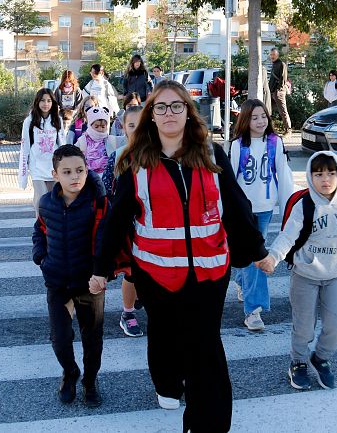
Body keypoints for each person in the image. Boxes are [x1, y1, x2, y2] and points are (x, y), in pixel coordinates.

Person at [90, 80, 268, 432]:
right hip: (155, 275)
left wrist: (255, 251)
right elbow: (117, 219)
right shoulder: (134, 162)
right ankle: (167, 383)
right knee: (166, 337)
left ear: (189, 113)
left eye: (176, 106)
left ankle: (206, 425)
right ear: (151, 117)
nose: (169, 113)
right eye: (161, 107)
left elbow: (234, 205)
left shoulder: (212, 154)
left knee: (206, 350)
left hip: (209, 274)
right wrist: (101, 268)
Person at [258, 151, 337, 391]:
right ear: (310, 176)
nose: (325, 179)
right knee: (304, 326)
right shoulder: (305, 204)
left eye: (331, 173)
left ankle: (320, 358)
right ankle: (298, 362)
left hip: (335, 276)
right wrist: (272, 258)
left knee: (336, 326)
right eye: (318, 174)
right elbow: (288, 235)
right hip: (305, 276)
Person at [32, 144, 108, 408]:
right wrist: (41, 256)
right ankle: (70, 372)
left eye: (79, 170)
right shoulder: (46, 203)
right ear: (55, 174)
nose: (74, 176)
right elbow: (39, 231)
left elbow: (105, 240)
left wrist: (102, 273)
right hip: (57, 282)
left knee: (92, 338)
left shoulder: (97, 202)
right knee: (60, 338)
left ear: (87, 171)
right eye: (67, 172)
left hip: (90, 282)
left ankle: (90, 380)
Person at [228, 99, 294, 331]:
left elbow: (284, 178)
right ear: (245, 119)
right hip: (241, 212)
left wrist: (289, 211)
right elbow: (231, 182)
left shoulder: (275, 143)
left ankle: (253, 310)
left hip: (265, 208)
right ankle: (246, 288)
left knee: (257, 256)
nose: (260, 121)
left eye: (263, 116)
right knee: (247, 256)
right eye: (254, 117)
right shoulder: (237, 146)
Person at [101, 104, 143, 337]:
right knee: (133, 271)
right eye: (131, 125)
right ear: (124, 129)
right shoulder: (119, 156)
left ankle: (141, 297)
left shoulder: (163, 152)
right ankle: (128, 313)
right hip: (130, 225)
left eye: (142, 123)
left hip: (157, 224)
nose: (137, 129)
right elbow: (106, 189)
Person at [19, 88, 66, 212]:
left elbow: (61, 142)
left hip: (52, 166)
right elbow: (25, 145)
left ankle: (50, 227)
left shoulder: (57, 119)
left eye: (49, 101)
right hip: (36, 165)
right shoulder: (29, 121)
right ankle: (39, 226)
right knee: (41, 198)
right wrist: (24, 168)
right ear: (37, 102)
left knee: (53, 198)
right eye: (42, 100)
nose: (46, 104)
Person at [74, 106, 123, 177]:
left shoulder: (111, 139)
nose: (100, 129)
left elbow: (126, 139)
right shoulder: (83, 140)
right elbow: (72, 152)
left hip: (108, 177)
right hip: (89, 177)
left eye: (103, 126)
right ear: (90, 125)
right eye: (96, 126)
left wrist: (123, 118)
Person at [268, 48, 292, 135]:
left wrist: (278, 89)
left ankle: (288, 130)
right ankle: (270, 130)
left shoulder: (281, 64)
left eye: (273, 54)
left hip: (278, 92)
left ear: (277, 55)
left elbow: (283, 78)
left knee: (283, 111)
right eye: (271, 55)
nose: (272, 56)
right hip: (272, 91)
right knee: (267, 110)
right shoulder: (274, 64)